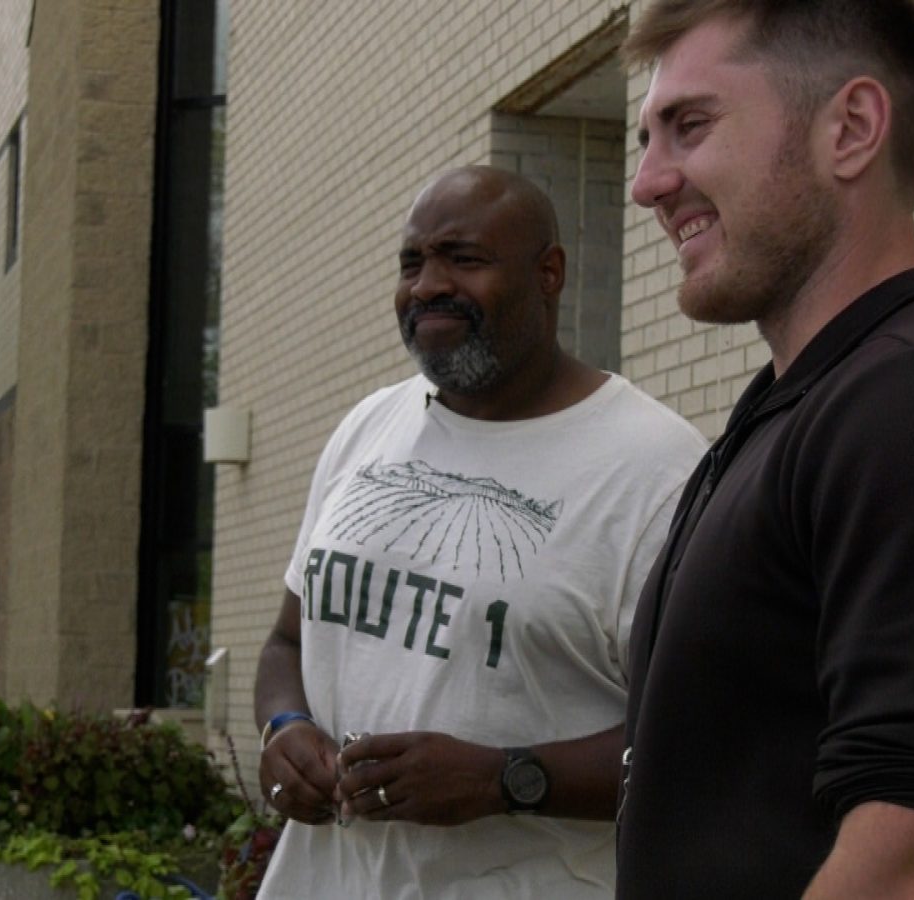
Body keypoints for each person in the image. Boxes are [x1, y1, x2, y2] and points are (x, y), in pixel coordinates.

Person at [617, 3, 914, 898]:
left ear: (851, 129)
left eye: (690, 126)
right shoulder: (801, 411)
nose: (647, 182)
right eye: (647, 138)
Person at [251, 165, 706, 898]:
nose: (428, 284)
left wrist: (506, 780)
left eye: (463, 259)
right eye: (411, 263)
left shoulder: (658, 472)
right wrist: (283, 726)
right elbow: (288, 643)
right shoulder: (368, 428)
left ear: (549, 273)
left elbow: (707, 749)